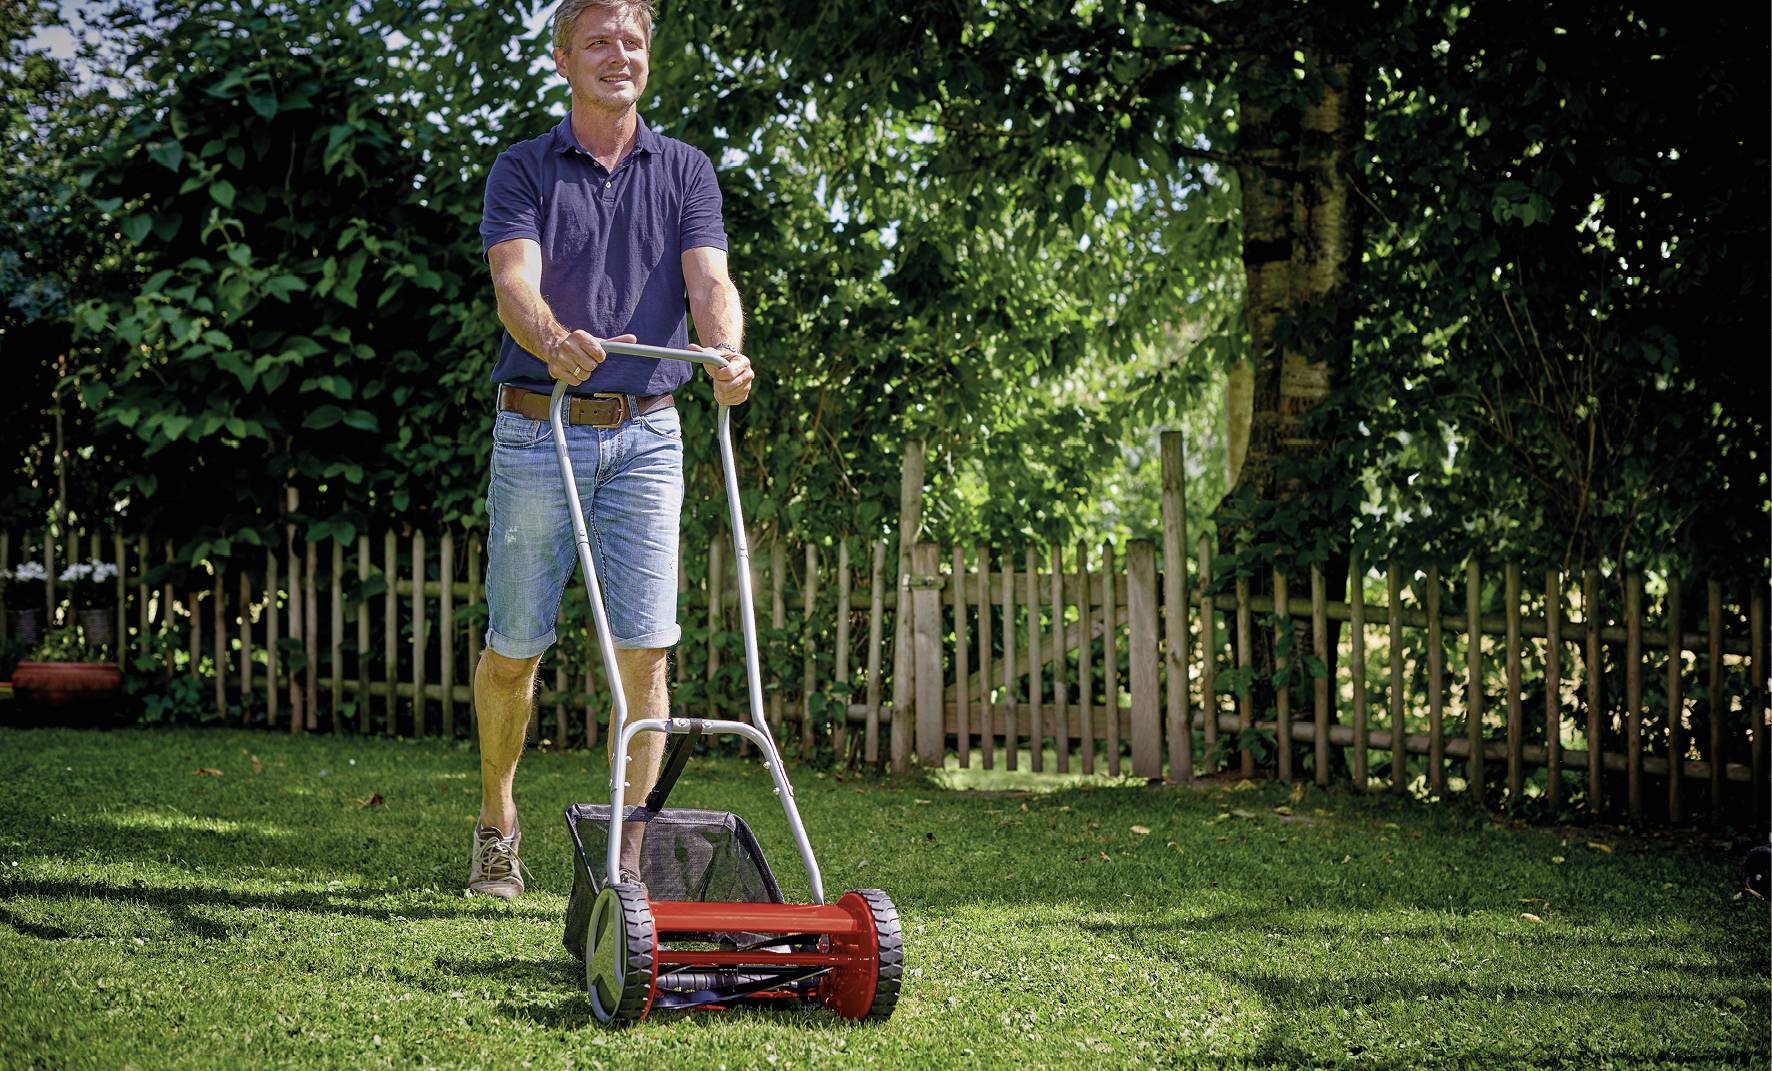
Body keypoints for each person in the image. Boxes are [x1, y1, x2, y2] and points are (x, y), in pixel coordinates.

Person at [467, 0, 754, 900]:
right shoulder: (523, 168)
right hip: (538, 424)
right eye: (597, 40)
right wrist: (552, 336)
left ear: (647, 57)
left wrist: (726, 350)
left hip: (649, 433)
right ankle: (497, 821)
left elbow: (710, 280)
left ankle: (627, 863)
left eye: (631, 40)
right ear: (563, 60)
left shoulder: (686, 170)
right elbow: (514, 281)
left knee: (647, 651)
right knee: (516, 647)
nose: (617, 54)